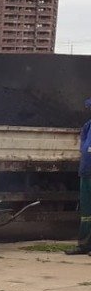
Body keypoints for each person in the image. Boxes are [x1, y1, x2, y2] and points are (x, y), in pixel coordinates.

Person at [66, 98, 91, 256]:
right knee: (86, 212)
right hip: (86, 172)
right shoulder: (87, 126)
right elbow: (83, 147)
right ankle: (83, 245)